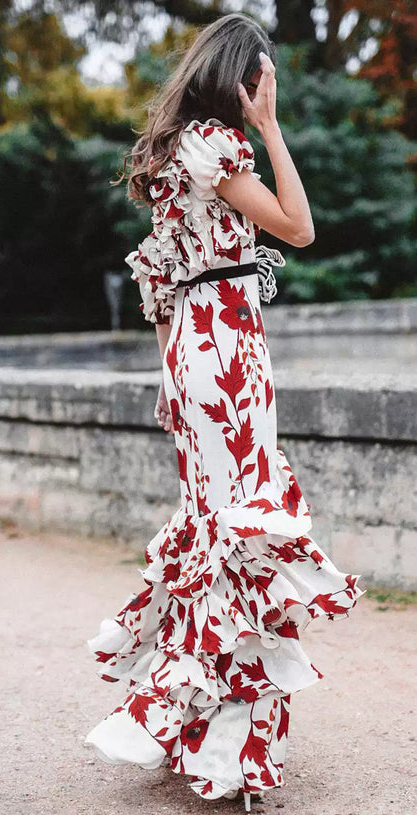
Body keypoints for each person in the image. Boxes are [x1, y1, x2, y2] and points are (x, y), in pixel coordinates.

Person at [84, 12, 366, 811]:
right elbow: (300, 228)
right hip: (229, 349)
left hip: (194, 349)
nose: (263, 92)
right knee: (241, 526)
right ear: (244, 78)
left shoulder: (176, 156)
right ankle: (224, 742)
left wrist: (174, 374)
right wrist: (272, 129)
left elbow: (162, 286)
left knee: (217, 524)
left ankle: (194, 727)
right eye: (261, 78)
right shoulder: (222, 145)